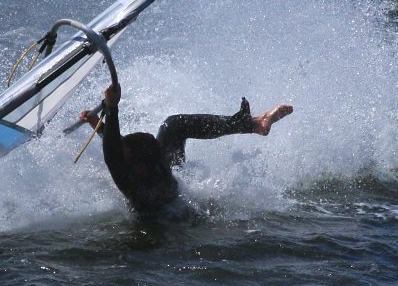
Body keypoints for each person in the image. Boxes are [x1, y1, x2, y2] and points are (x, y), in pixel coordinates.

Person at [79, 83, 293, 221]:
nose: (122, 151)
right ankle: (251, 125)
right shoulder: (145, 170)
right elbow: (117, 148)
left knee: (172, 126)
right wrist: (108, 112)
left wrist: (107, 114)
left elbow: (114, 150)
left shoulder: (128, 175)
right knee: (173, 125)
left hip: (169, 201)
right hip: (164, 205)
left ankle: (251, 124)